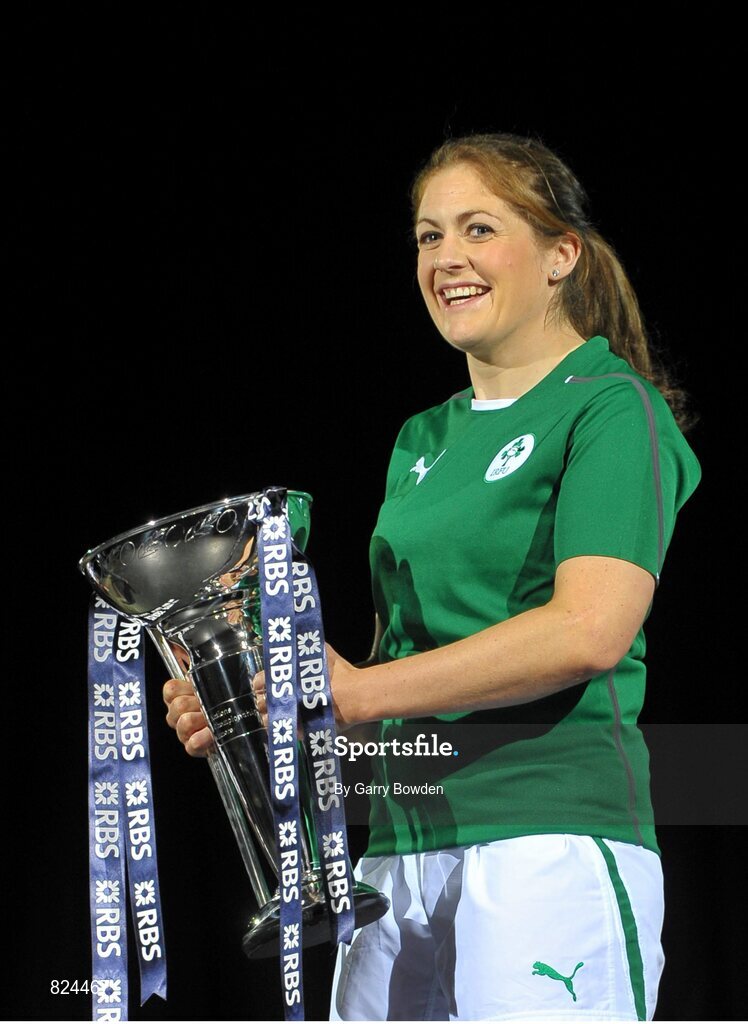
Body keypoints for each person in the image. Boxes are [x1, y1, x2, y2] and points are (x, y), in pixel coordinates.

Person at [164, 133, 701, 1021]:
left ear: (562, 253)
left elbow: (589, 629)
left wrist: (361, 691)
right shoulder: (423, 439)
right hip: (397, 849)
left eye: (479, 229)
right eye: (427, 236)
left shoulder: (610, 407)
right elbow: (390, 691)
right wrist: (263, 711)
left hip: (549, 839)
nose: (447, 258)